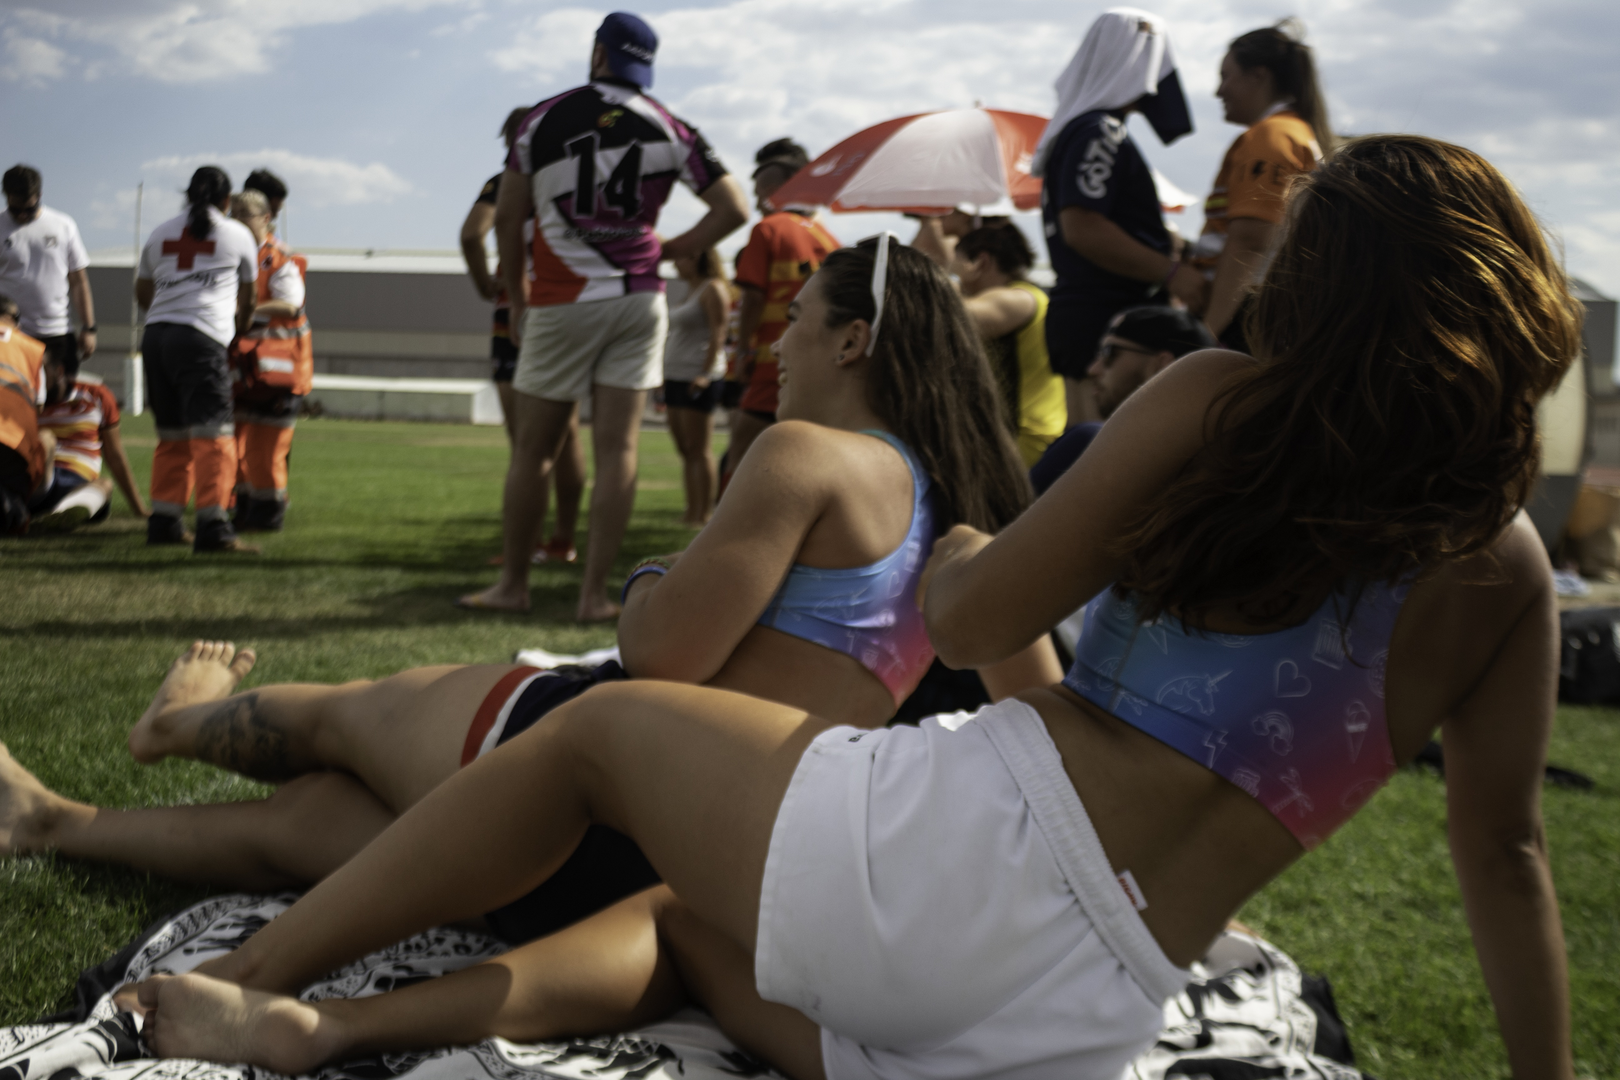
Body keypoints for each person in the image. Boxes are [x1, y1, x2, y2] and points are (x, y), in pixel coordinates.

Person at [100, 135, 1580, 1080]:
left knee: (600, 731)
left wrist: (957, 567)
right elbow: (1506, 855)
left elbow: (991, 603)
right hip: (1084, 1018)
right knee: (683, 923)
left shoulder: (1214, 403)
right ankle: (328, 1030)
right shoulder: (1507, 569)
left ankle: (266, 991)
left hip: (970, 860)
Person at [3, 237, 1053, 946]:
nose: (772, 339)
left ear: (853, 339)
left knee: (349, 714)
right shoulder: (964, 509)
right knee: (319, 832)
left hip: (595, 767)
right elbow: (1037, 722)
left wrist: (648, 581)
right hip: (683, 871)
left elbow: (662, 657)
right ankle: (58, 823)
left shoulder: (807, 455)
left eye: (800, 322)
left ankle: (174, 728)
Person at [460, 12, 749, 619]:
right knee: (619, 449)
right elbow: (733, 208)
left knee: (534, 451)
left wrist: (515, 294)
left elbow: (508, 220)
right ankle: (593, 596)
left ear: (597, 54)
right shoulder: (672, 125)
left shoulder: (540, 118)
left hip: (562, 300)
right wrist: (670, 248)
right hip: (640, 299)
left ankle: (513, 585)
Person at [1034, 9, 1205, 423]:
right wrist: (1170, 272)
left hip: (1083, 318)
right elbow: (1082, 225)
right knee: (1103, 461)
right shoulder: (1101, 131)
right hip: (1105, 325)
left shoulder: (1080, 130)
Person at [461, 107, 585, 565]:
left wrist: (486, 285)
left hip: (518, 311)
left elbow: (472, 234)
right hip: (568, 305)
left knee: (528, 444)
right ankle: (564, 541)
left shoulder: (506, 182)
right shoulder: (575, 181)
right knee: (568, 433)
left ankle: (526, 546)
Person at [136, 166, 261, 554]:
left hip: (156, 337)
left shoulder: (159, 233)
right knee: (214, 435)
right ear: (227, 201)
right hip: (201, 337)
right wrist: (237, 330)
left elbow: (143, 290)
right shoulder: (238, 233)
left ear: (187, 195)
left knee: (172, 435)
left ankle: (164, 522)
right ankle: (213, 528)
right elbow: (250, 297)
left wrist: (167, 310)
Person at [1192, 20, 1333, 345]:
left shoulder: (1271, 137)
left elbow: (1251, 242)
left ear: (1258, 75)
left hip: (1248, 317)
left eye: (1226, 76)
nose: (1219, 91)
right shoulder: (1292, 131)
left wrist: (1208, 337)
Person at [721, 139, 840, 490]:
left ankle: (723, 530)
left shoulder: (768, 228)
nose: (758, 202)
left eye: (759, 193)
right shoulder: (828, 237)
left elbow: (753, 297)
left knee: (743, 447)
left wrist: (743, 350)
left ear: (774, 190)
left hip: (774, 358)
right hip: (820, 359)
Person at [1028, 304, 1215, 494]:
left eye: (1109, 353)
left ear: (1162, 365)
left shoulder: (1091, 442)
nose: (1093, 369)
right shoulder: (1215, 466)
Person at [226, 190, 310, 533]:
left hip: (280, 371)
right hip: (244, 370)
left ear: (266, 219)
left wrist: (240, 313)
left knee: (268, 448)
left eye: (244, 214)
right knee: (239, 446)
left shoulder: (280, 257)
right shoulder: (230, 253)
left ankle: (268, 513)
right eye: (233, 212)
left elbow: (291, 306)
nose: (236, 219)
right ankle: (245, 509)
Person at [947, 223, 1065, 466]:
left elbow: (948, 319)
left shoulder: (1018, 298)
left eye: (957, 267)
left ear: (981, 261)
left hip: (1023, 442)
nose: (954, 276)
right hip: (1022, 439)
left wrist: (938, 283)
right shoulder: (1028, 295)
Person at [32, 350, 149, 529]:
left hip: (78, 483)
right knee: (44, 440)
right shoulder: (24, 398)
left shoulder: (95, 395)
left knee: (105, 484)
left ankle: (63, 514)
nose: (35, 378)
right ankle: (53, 512)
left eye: (42, 371)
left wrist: (139, 509)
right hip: (38, 479)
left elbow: (115, 455)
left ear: (59, 371)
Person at [0, 165, 96, 379]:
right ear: (6, 197)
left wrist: (89, 327)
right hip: (12, 336)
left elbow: (79, 281)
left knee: (60, 404)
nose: (23, 216)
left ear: (39, 195)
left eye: (30, 209)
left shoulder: (63, 225)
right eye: (17, 210)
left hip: (57, 333)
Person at [662, 246, 732, 525]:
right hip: (675, 375)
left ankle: (703, 514)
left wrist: (704, 372)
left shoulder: (712, 288)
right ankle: (691, 510)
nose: (677, 261)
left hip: (698, 376)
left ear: (699, 257)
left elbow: (719, 331)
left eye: (684, 255)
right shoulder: (688, 291)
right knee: (684, 447)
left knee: (698, 447)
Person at [0, 293, 49, 531]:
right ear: (13, 319)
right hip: (14, 447)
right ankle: (16, 508)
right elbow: (38, 407)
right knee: (47, 440)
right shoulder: (31, 349)